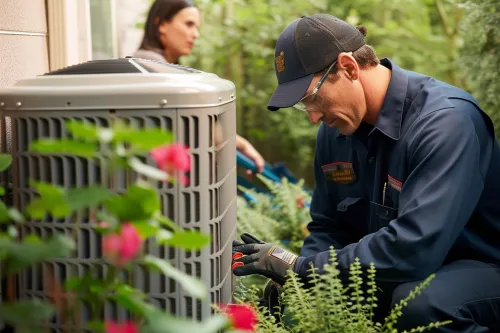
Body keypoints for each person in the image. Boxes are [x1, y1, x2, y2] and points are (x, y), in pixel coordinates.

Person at [232, 13, 500, 332]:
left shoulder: (445, 123)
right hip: (400, 268)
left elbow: (415, 248)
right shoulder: (335, 131)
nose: (313, 117)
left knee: (420, 305)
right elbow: (328, 226)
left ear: (348, 67)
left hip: (480, 267)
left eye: (311, 99)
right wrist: (298, 282)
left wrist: (302, 268)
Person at [133, 0, 265, 172]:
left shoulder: (151, 65)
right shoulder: (150, 67)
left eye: (196, 27)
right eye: (189, 24)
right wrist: (239, 143)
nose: (195, 34)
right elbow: (200, 122)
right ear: (161, 24)